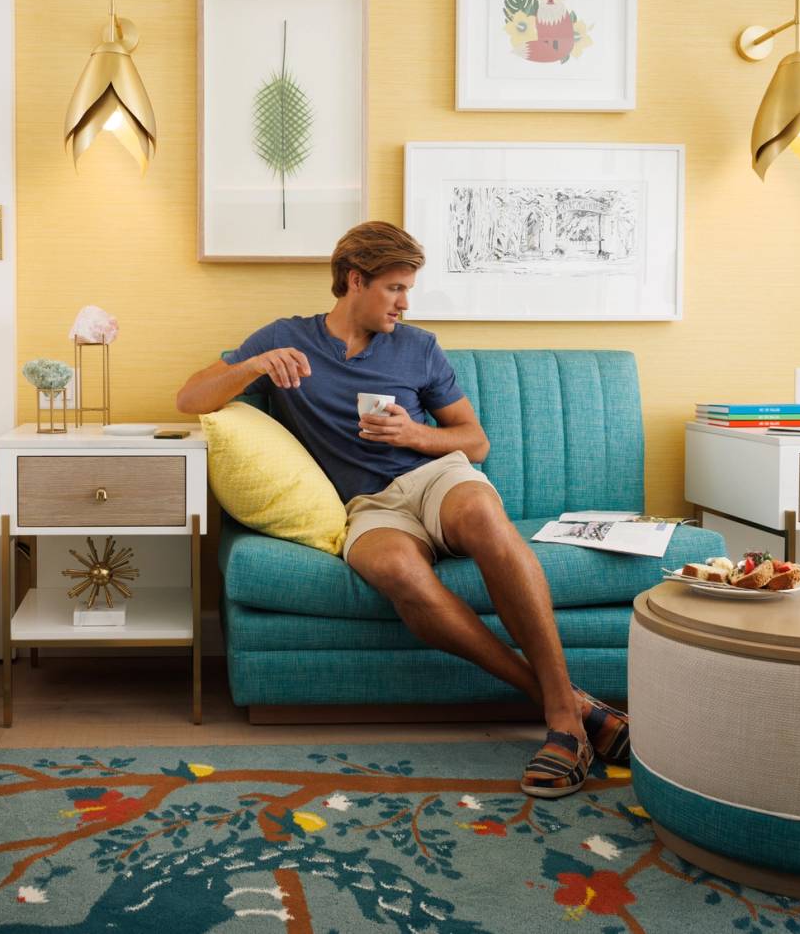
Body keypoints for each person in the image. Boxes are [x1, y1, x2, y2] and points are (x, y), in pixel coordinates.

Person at [175, 221, 628, 797]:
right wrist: (255, 366)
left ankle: (562, 720)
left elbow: (475, 440)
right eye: (394, 288)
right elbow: (190, 399)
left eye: (407, 289)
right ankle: (565, 704)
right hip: (366, 506)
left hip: (435, 476)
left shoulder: (418, 347)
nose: (405, 302)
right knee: (392, 569)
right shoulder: (285, 339)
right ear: (355, 281)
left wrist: (414, 434)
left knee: (487, 518)